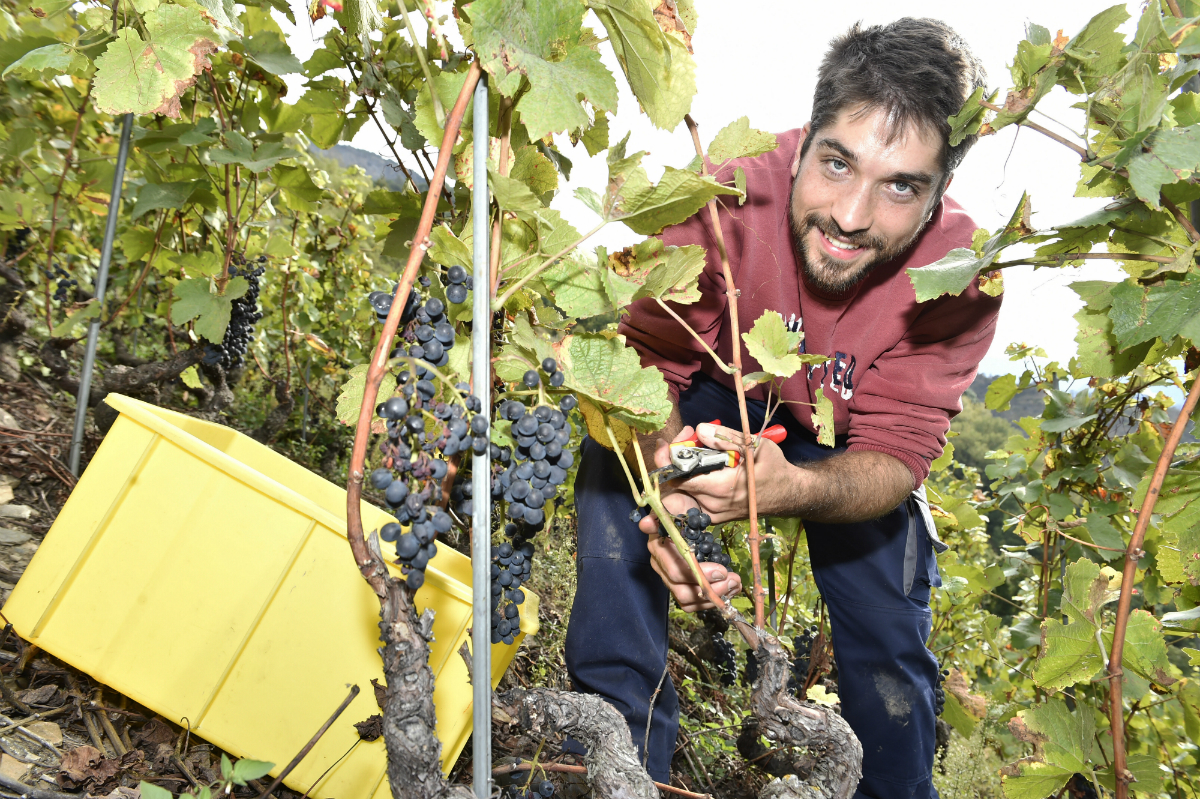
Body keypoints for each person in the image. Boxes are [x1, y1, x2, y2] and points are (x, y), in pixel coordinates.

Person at [564, 17, 1001, 799]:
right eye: (837, 164)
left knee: (887, 628)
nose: (851, 215)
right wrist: (669, 498)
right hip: (712, 388)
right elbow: (645, 370)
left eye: (901, 186)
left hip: (846, 439)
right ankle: (615, 771)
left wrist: (790, 488)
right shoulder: (722, 190)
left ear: (939, 196)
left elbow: (897, 455)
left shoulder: (961, 276)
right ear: (803, 141)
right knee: (614, 484)